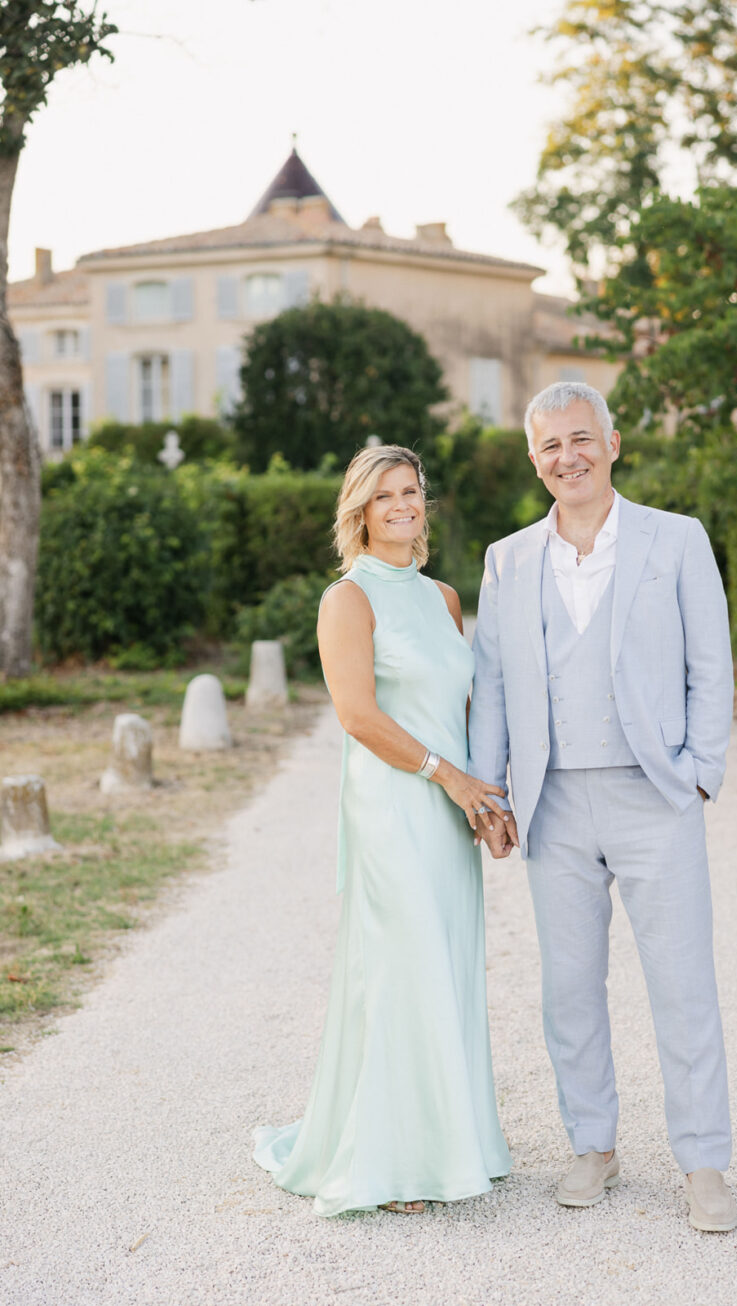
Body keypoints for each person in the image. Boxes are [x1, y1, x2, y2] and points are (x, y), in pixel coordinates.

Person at [468, 382, 737, 1231]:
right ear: (534, 460)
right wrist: (491, 794)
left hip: (655, 795)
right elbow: (492, 686)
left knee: (683, 984)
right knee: (570, 988)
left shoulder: (676, 539)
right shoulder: (508, 560)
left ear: (612, 444)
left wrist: (699, 773)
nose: (568, 457)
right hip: (553, 804)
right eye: (550, 445)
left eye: (581, 439)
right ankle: (593, 1145)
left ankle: (703, 1163)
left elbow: (711, 663)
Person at [254, 444, 511, 1216]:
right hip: (392, 808)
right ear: (360, 512)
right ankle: (392, 1163)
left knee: (447, 963)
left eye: (411, 491)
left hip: (449, 811)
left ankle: (452, 1146)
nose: (402, 505)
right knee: (402, 969)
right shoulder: (348, 599)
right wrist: (449, 778)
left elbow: (464, 710)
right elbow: (358, 716)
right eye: (385, 495)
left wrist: (486, 802)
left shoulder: (444, 599)